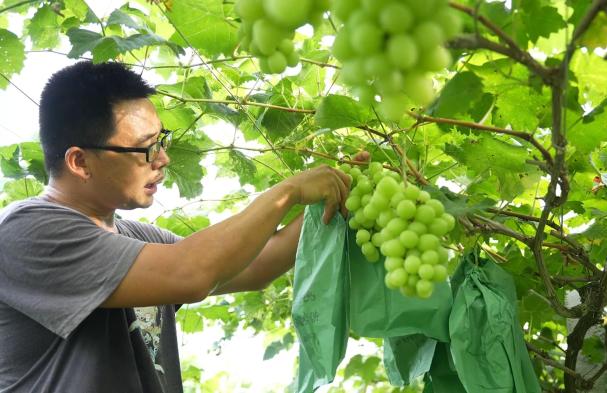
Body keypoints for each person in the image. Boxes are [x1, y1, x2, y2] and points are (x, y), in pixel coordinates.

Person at [0, 61, 367, 392]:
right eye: (146, 148)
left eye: (162, 140)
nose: (163, 159)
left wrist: (331, 195)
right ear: (80, 162)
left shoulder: (135, 237)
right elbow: (193, 273)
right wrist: (287, 193)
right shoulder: (28, 232)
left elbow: (255, 266)